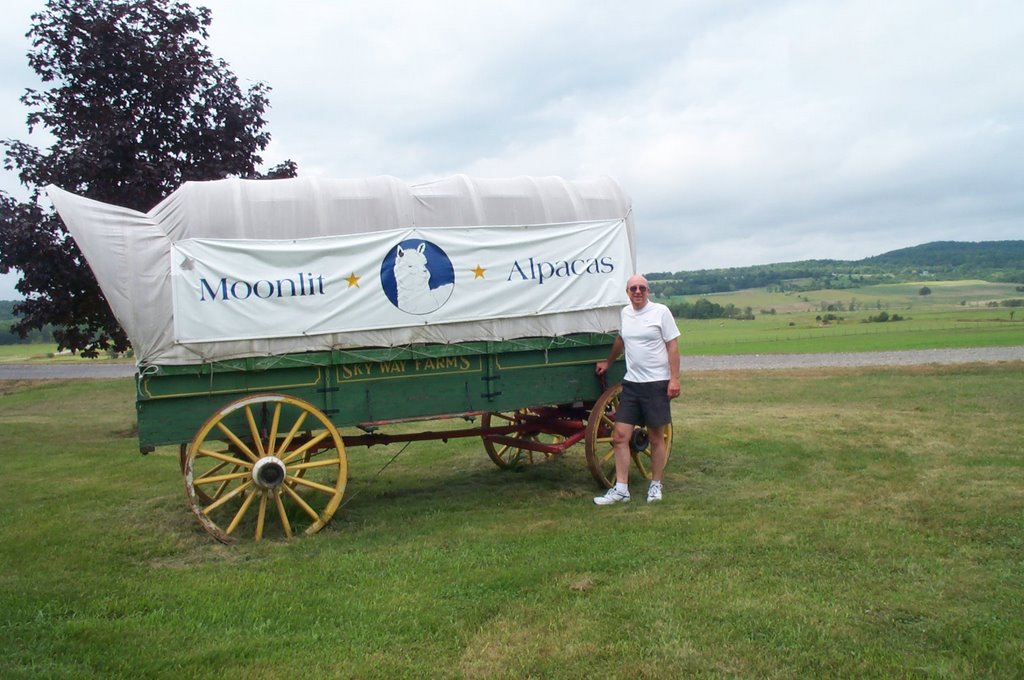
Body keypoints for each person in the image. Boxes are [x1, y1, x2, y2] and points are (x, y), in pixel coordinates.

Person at [593, 274, 681, 504]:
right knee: (620, 436)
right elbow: (621, 340)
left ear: (648, 291)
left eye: (642, 288)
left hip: (656, 383)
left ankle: (655, 485)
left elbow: (672, 345)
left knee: (655, 437)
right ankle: (621, 489)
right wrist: (609, 362)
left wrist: (674, 379)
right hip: (631, 383)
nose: (638, 292)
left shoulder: (660, 312)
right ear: (627, 292)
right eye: (633, 289)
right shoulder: (625, 313)